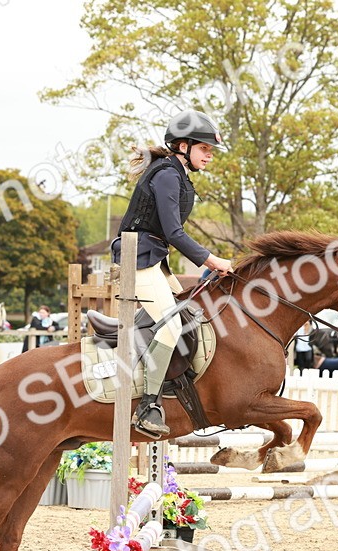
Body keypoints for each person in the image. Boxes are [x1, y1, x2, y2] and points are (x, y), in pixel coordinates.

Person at [111, 109, 234, 438]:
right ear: (183, 146)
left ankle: (166, 382)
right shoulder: (166, 174)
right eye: (205, 149)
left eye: (210, 151)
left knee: (187, 313)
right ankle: (148, 405)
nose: (209, 156)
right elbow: (174, 232)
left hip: (153, 256)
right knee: (171, 326)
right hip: (137, 256)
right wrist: (212, 261)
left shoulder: (178, 174)